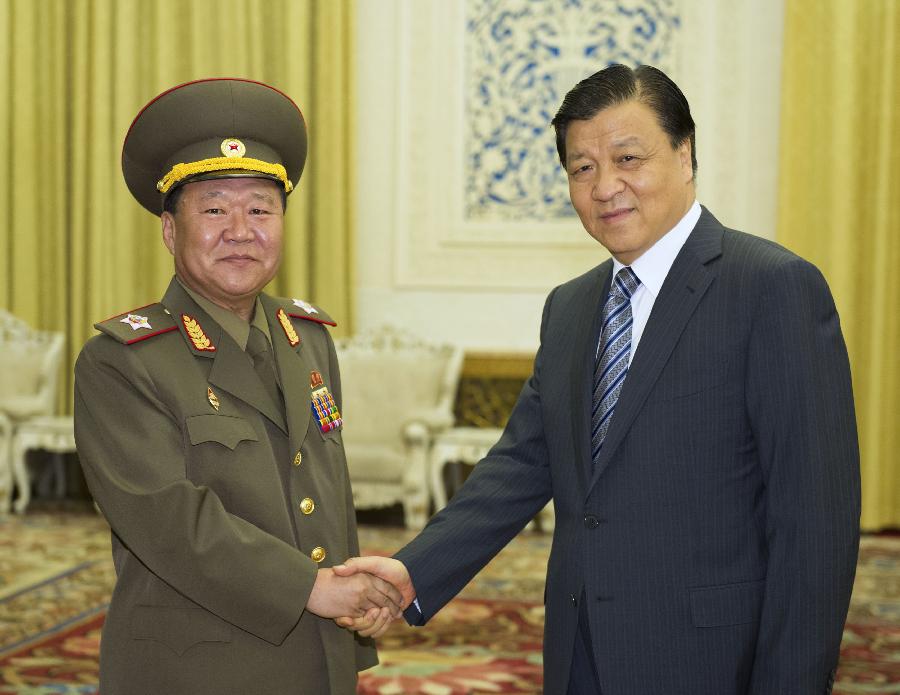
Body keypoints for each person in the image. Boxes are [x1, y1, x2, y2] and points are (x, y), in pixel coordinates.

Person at [334, 64, 861, 695]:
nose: (605, 186)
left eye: (628, 158)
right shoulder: (572, 307)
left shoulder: (771, 288)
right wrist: (411, 572)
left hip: (714, 659)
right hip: (581, 652)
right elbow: (521, 465)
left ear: (685, 154)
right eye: (582, 168)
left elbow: (815, 523)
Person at [73, 78, 401, 695]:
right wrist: (314, 588)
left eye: (260, 209)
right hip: (197, 666)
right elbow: (170, 521)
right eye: (215, 209)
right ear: (171, 231)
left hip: (317, 651)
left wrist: (353, 628)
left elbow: (323, 490)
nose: (241, 230)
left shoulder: (308, 338)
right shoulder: (122, 362)